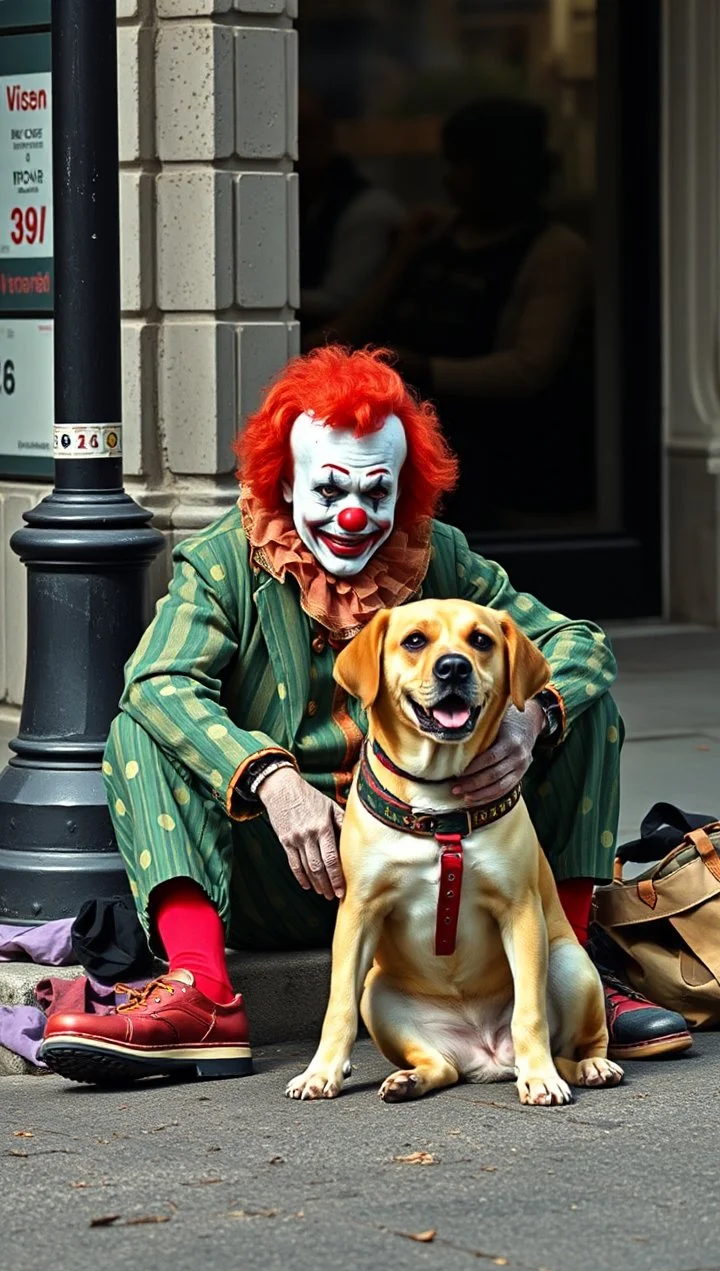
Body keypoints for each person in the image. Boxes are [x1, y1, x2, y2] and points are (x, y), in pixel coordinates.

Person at [39, 346, 691, 1085]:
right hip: (286, 869)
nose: (354, 515)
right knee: (139, 729)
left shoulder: (435, 556)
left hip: (448, 859)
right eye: (329, 489)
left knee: (582, 706)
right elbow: (158, 682)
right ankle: (202, 990)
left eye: (376, 493)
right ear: (286, 481)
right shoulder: (226, 562)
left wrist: (531, 718)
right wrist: (270, 781)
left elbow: (580, 644)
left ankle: (566, 968)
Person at [320, 98, 595, 529]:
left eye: (462, 165)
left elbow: (529, 369)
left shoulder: (555, 251)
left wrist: (423, 368)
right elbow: (359, 321)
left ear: (503, 170)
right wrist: (402, 258)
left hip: (505, 463)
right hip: (407, 447)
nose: (449, 180)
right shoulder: (435, 234)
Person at [298, 90, 405, 328]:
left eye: (303, 132)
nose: (293, 144)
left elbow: (338, 301)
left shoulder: (369, 210)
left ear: (328, 137)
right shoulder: (298, 202)